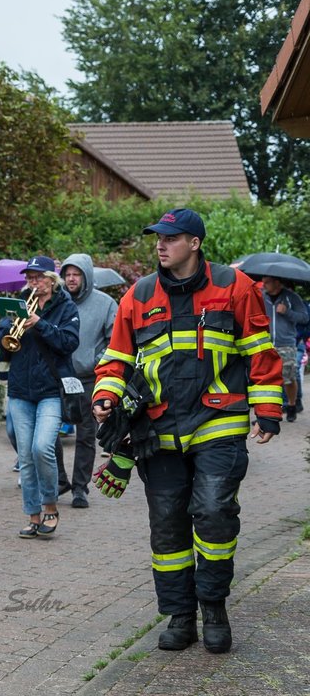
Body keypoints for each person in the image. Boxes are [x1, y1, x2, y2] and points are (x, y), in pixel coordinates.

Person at [93, 208, 283, 654]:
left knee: (214, 512)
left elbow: (260, 349)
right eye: (157, 238)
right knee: (168, 528)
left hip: (218, 421)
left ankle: (213, 607)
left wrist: (268, 409)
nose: (160, 245)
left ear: (194, 243)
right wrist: (105, 396)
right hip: (157, 430)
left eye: (171, 238)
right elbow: (115, 358)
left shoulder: (235, 287)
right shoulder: (137, 295)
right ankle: (181, 616)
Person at [0, 256, 79, 539]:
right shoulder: (17, 302)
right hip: (21, 389)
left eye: (38, 277)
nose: (32, 282)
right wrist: (10, 329)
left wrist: (39, 324)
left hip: (51, 390)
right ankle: (33, 516)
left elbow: (69, 343)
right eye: (29, 277)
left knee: (42, 447)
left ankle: (51, 506)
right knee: (25, 455)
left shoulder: (65, 305)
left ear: (51, 279)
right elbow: (2, 341)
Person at [54, 254, 116, 509]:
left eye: (76, 274)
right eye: (67, 274)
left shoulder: (106, 303)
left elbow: (115, 340)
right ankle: (59, 480)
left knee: (86, 436)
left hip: (90, 379)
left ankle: (80, 488)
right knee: (49, 433)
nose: (71, 279)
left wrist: (97, 361)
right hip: (57, 376)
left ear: (86, 277)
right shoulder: (56, 302)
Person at [260, 275, 307, 422]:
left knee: (288, 379)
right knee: (266, 380)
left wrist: (287, 312)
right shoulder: (261, 297)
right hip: (265, 343)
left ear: (277, 283)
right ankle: (268, 413)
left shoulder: (291, 297)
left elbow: (304, 317)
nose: (264, 285)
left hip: (286, 344)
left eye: (267, 282)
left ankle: (292, 405)